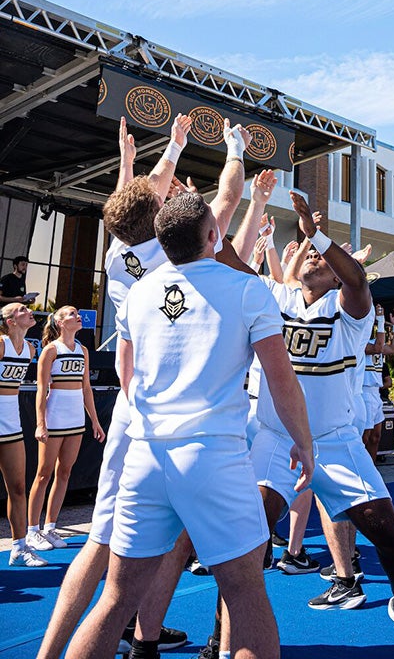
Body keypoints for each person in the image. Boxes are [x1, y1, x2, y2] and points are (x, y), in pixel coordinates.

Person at [63, 188, 313, 659]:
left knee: (116, 598)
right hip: (212, 454)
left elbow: (126, 375)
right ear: (215, 235)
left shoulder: (139, 294)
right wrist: (303, 441)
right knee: (244, 594)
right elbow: (282, 380)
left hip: (146, 454)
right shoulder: (246, 289)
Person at [35, 114, 248, 659]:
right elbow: (223, 199)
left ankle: (113, 643)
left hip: (135, 409)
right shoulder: (171, 253)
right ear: (164, 220)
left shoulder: (117, 254)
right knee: (184, 548)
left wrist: (158, 155)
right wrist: (234, 149)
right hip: (178, 417)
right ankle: (146, 639)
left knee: (104, 549)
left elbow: (129, 204)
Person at [245, 191, 394, 647]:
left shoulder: (351, 310)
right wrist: (231, 204)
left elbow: (357, 278)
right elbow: (228, 263)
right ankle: (223, 635)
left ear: (337, 272)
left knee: (388, 534)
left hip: (335, 441)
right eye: (309, 251)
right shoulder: (276, 296)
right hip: (275, 437)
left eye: (322, 254)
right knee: (248, 543)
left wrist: (316, 233)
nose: (313, 254)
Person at [26, 306, 105, 553]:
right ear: (60, 322)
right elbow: (41, 389)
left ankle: (50, 526)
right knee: (43, 474)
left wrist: (95, 420)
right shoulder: (51, 350)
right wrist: (41, 423)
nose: (77, 316)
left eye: (77, 313)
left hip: (75, 420)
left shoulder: (82, 350)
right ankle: (31, 531)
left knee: (65, 473)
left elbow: (87, 389)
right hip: (55, 418)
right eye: (71, 314)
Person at [0, 300, 40, 566]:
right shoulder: (1, 343)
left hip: (11, 423)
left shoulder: (29, 349)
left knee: (17, 487)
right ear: (10, 321)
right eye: (22, 310)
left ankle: (19, 547)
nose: (30, 311)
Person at [363, 305, 394, 462]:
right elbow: (378, 347)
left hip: (376, 394)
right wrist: (380, 320)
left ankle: (371, 467)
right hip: (363, 392)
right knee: (364, 436)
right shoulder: (360, 344)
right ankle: (361, 471)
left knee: (376, 436)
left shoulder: (373, 342)